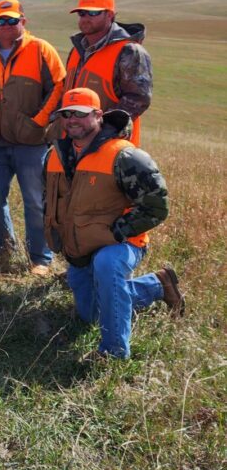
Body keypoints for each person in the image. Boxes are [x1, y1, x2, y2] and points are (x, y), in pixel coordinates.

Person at [45, 87, 184, 360]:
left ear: (98, 116)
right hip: (81, 244)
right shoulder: (54, 155)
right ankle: (157, 285)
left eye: (81, 114)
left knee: (107, 265)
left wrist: (117, 231)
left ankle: (114, 352)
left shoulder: (124, 156)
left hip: (120, 243)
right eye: (67, 114)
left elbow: (157, 206)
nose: (72, 119)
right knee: (91, 315)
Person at [0, 0, 65, 276]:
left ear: (24, 21)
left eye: (13, 20)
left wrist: (38, 122)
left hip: (31, 142)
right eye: (1, 21)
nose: (7, 25)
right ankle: (1, 251)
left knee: (35, 200)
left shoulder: (40, 49)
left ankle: (40, 259)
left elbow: (58, 87)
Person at [63, 0, 152, 145]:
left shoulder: (129, 51)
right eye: (82, 13)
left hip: (111, 143)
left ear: (110, 15)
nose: (85, 18)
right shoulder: (77, 50)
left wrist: (104, 129)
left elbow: (138, 98)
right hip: (73, 140)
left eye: (93, 13)